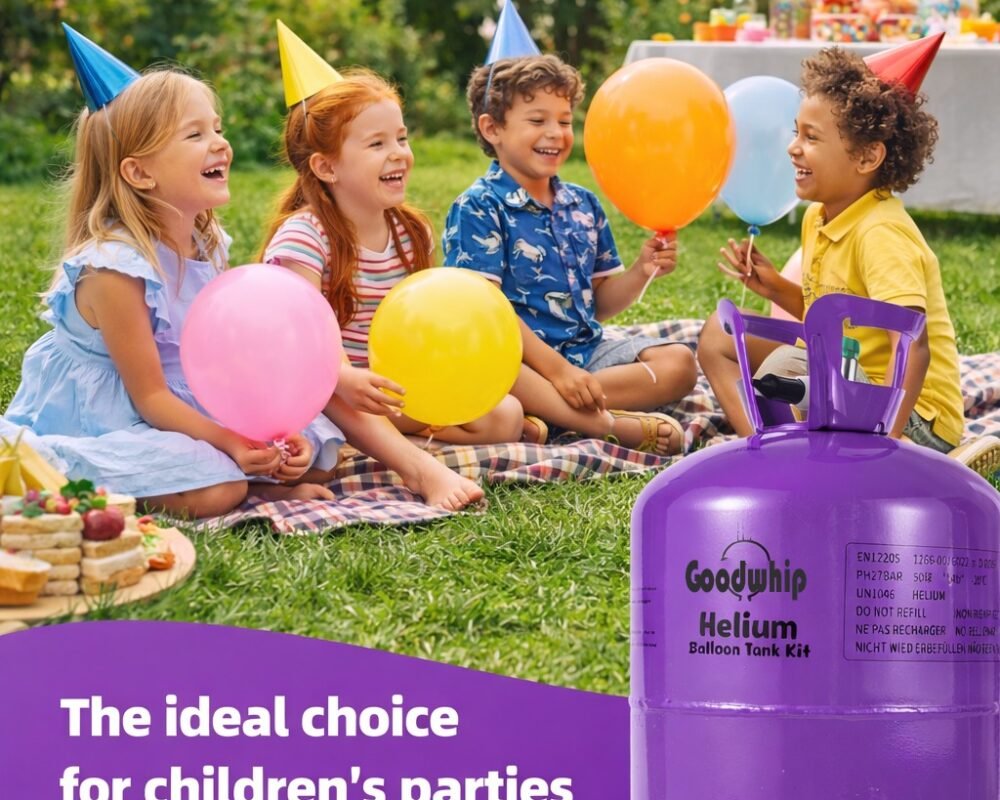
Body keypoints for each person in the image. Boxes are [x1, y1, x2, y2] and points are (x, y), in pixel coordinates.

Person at [2, 50, 352, 517]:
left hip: (182, 391)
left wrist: (268, 427)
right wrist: (232, 441)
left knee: (317, 456)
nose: (220, 144)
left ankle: (250, 479)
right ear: (139, 172)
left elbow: (220, 354)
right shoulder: (115, 268)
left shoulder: (207, 243)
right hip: (111, 416)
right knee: (217, 490)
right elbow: (149, 398)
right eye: (195, 134)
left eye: (218, 128)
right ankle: (246, 490)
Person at [697, 45, 1000, 475]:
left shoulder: (881, 233)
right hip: (841, 378)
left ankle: (923, 463)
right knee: (718, 336)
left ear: (866, 157)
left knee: (794, 371)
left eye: (811, 137)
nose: (793, 149)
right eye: (795, 132)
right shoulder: (818, 217)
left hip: (910, 415)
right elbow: (829, 319)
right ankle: (767, 456)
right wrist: (775, 289)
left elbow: (914, 344)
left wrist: (892, 440)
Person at [262, 60, 529, 447]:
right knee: (323, 429)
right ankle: (395, 441)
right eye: (377, 144)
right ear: (326, 166)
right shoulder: (304, 239)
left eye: (401, 139)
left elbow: (422, 317)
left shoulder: (412, 232)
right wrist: (344, 377)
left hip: (390, 391)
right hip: (326, 391)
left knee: (505, 416)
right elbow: (301, 338)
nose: (398, 153)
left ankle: (396, 438)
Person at [442, 55, 695, 455]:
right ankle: (599, 421)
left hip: (584, 353)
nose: (555, 133)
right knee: (495, 372)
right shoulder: (479, 207)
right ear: (492, 129)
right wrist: (556, 371)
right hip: (517, 363)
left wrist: (641, 270)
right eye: (537, 120)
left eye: (564, 121)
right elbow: (485, 314)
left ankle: (547, 415)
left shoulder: (583, 204)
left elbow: (600, 303)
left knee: (680, 363)